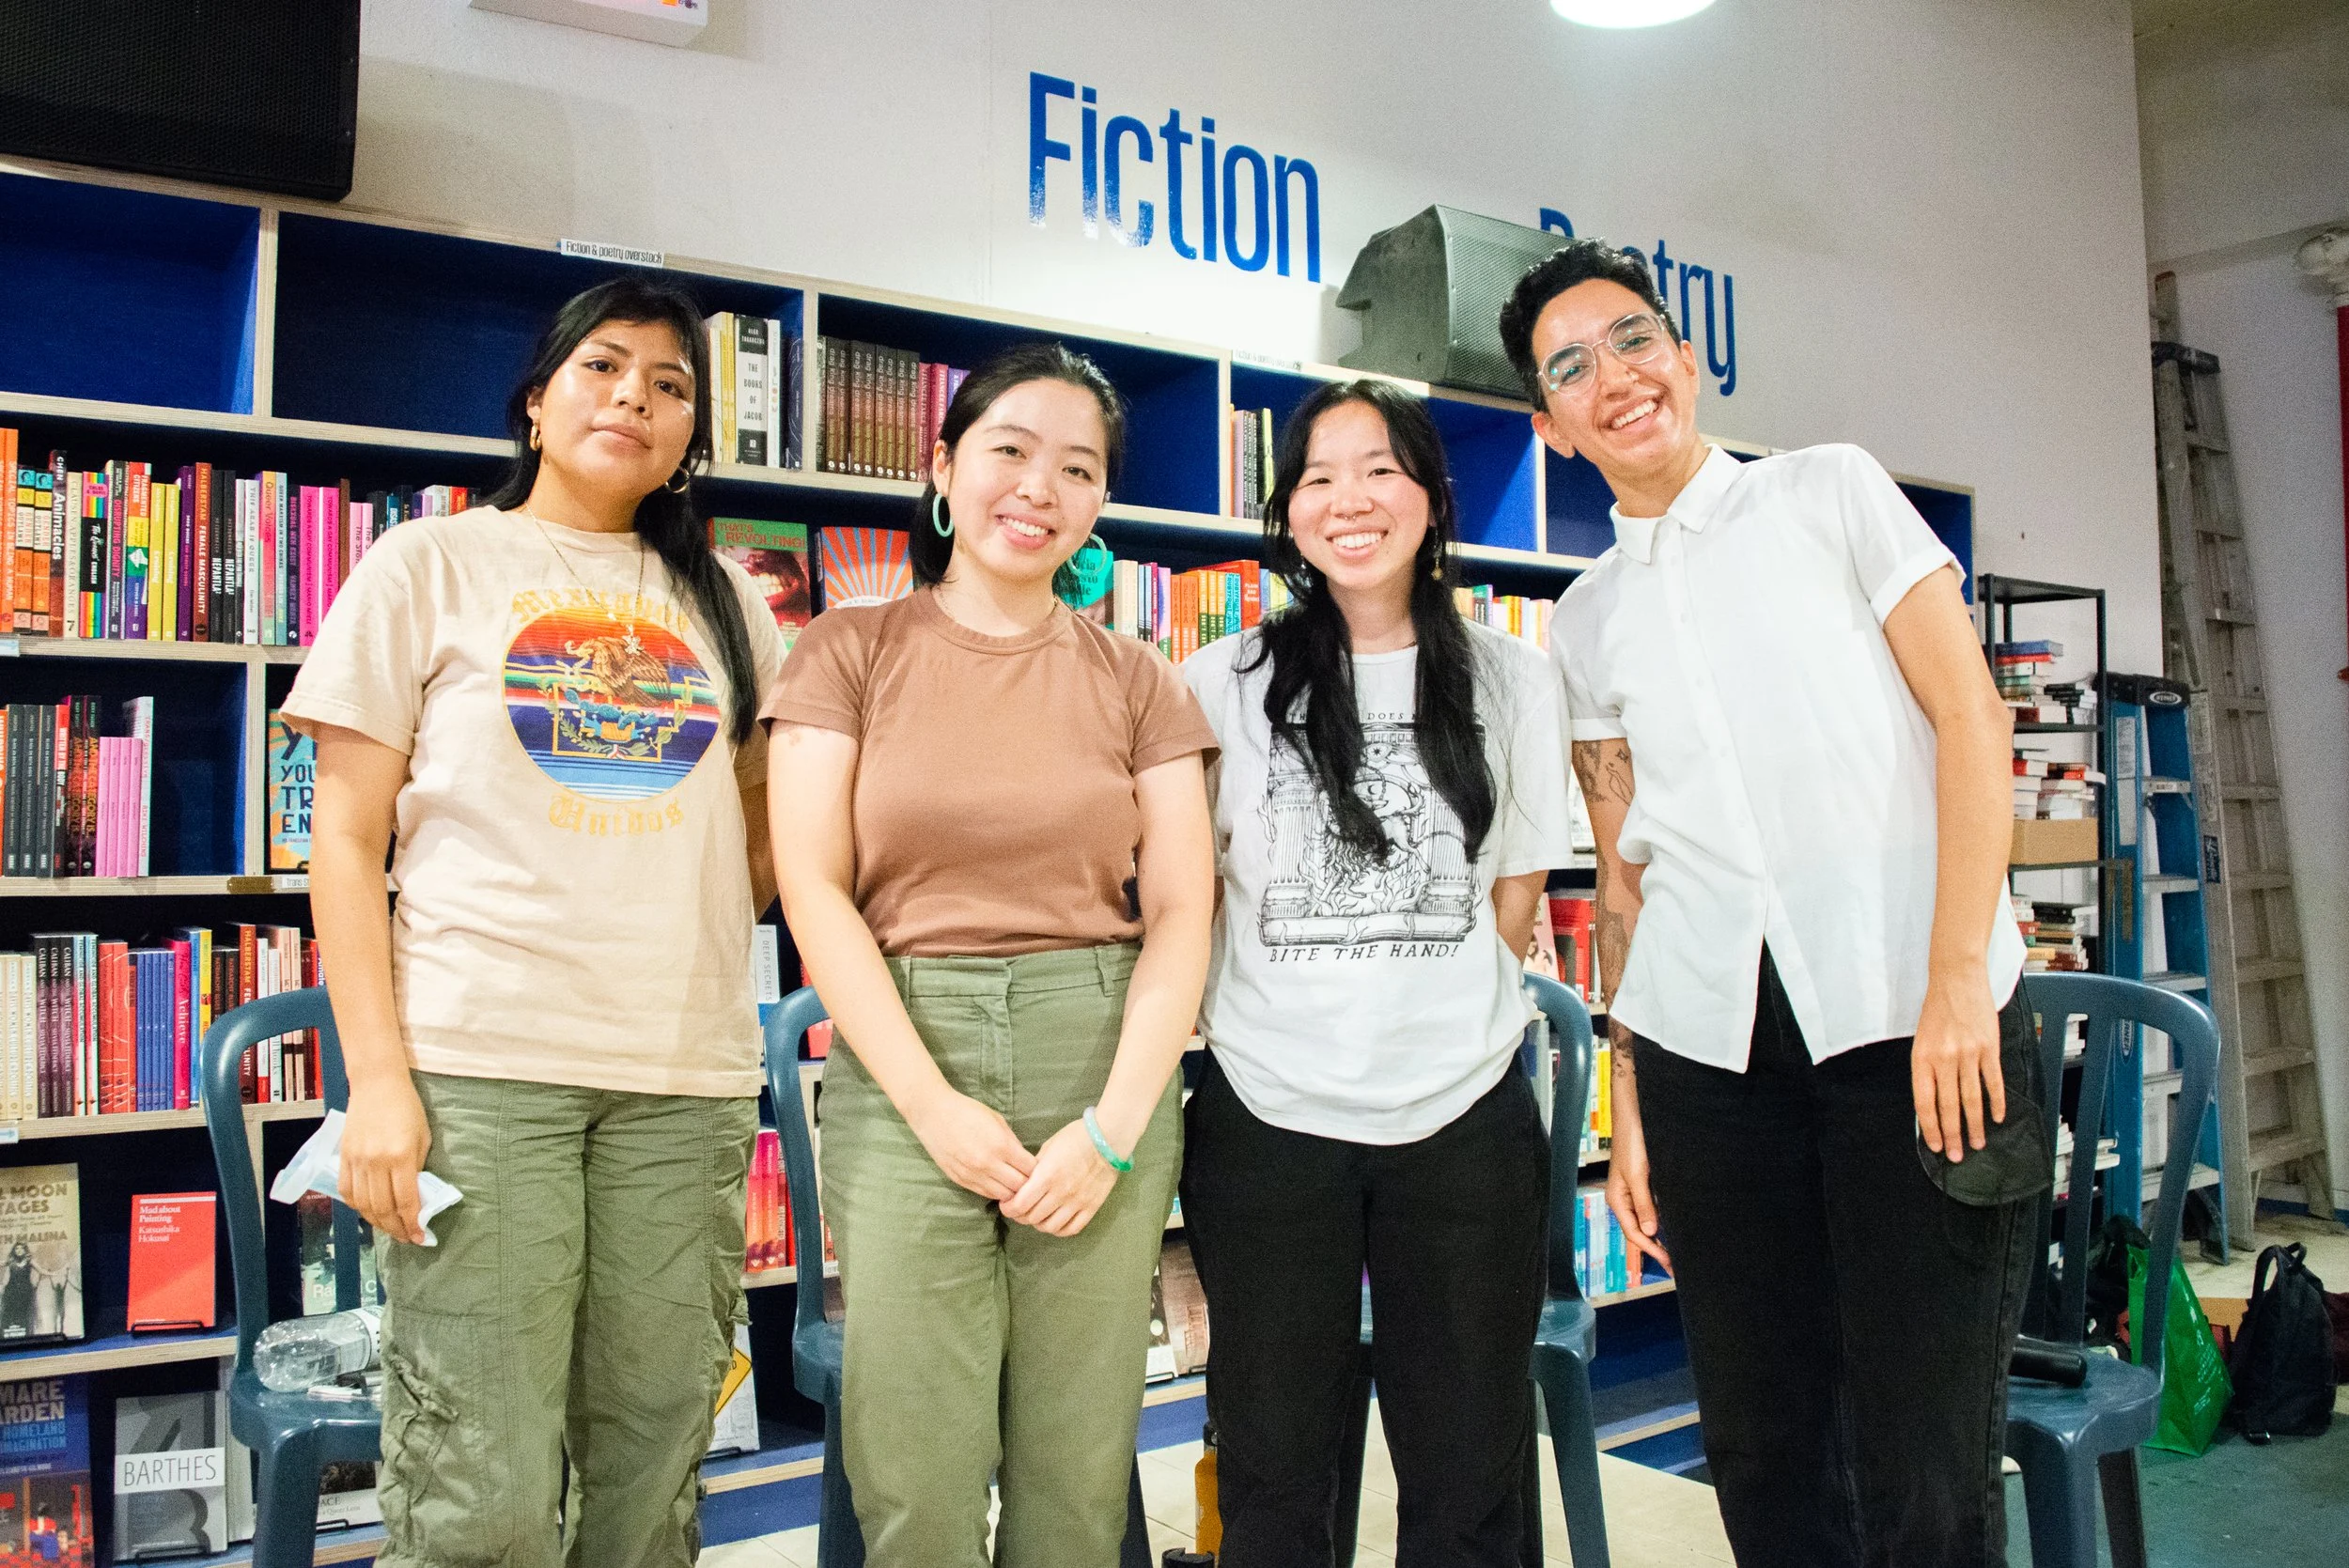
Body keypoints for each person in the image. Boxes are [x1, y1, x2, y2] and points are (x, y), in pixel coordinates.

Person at [1501, 239, 2048, 1568]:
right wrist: (1631, 1100)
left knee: (1923, 1463)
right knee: (1762, 1447)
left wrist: (1959, 977)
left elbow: (1972, 718)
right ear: (1553, 429)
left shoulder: (1832, 495)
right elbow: (1625, 878)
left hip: (1918, 1028)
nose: (1613, 377)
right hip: (1708, 1067)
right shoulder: (1583, 621)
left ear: (1685, 358)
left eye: (1633, 340)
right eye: (1570, 369)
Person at [290, 276, 785, 1568]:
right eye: (605, 367)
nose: (634, 396)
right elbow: (342, 839)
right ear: (536, 402)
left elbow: (765, 825)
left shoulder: (731, 605)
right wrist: (380, 1084)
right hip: (482, 1067)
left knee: (653, 1459)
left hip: (682, 1082)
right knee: (480, 1481)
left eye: (670, 386)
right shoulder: (430, 564)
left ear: (689, 438)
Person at [765, 343, 1218, 1568]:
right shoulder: (846, 653)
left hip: (1101, 1048)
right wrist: (932, 1105)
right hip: (908, 1052)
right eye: (1010, 449)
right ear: (944, 467)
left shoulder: (1142, 681)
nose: (1039, 486)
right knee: (917, 1479)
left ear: (1097, 506)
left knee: (1076, 1482)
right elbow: (812, 885)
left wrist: (1117, 1125)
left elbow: (1182, 909)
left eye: (1078, 468)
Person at [1178, 380, 1577, 1566]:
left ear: (1432, 497)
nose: (1349, 498)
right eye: (1317, 476)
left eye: (1380, 469)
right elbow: (1195, 894)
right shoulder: (1223, 680)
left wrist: (1423, 1005)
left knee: (1466, 1468)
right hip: (1266, 1112)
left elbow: (1513, 889)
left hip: (1463, 1115)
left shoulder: (1515, 678)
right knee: (1272, 1460)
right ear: (1286, 512)